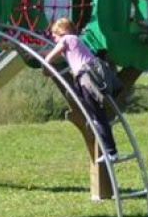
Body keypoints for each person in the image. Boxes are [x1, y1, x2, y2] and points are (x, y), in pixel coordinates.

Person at [43, 17, 121, 162]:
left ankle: (111, 152)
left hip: (87, 77)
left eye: (54, 34)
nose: (53, 37)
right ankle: (109, 150)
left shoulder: (67, 39)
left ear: (63, 31)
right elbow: (52, 52)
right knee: (95, 114)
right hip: (87, 77)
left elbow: (50, 57)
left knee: (98, 117)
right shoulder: (74, 41)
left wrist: (45, 67)